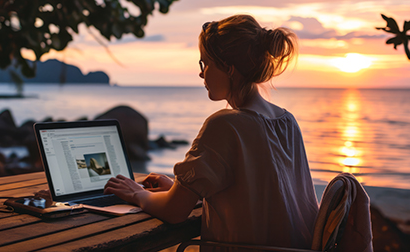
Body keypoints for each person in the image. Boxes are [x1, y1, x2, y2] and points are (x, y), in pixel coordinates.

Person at [103, 14, 319, 250]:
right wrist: (183, 190)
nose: (201, 73)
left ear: (228, 68)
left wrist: (136, 193)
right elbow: (259, 196)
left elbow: (174, 212)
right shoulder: (287, 121)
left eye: (205, 64)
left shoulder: (225, 125)